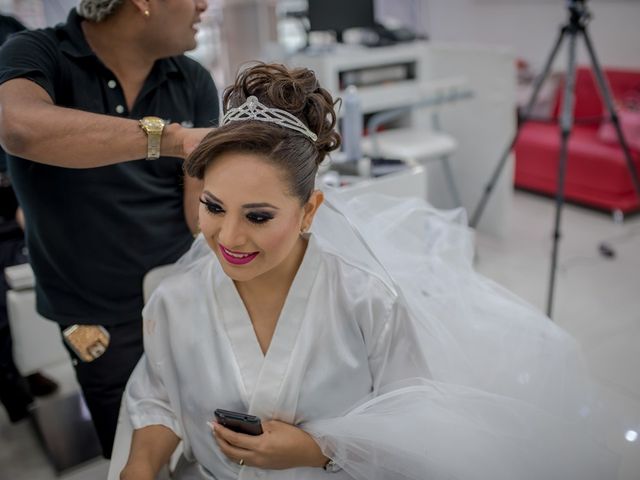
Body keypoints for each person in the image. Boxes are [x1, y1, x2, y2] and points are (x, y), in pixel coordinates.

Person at [121, 62, 616, 480]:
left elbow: (414, 426)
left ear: (309, 212)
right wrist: (139, 468)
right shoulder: (175, 300)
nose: (227, 238)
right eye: (213, 206)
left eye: (258, 216)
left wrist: (317, 450)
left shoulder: (367, 300)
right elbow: (158, 397)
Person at [0, 0, 217, 457]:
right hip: (95, 317)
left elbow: (196, 217)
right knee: (130, 451)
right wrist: (171, 138)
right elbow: (19, 128)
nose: (204, 4)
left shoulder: (191, 79)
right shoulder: (37, 55)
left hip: (182, 299)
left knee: (200, 439)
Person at [0, 12, 59, 424]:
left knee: (18, 306)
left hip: (13, 190)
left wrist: (28, 196)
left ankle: (26, 369)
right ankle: (13, 394)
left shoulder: (10, 31)